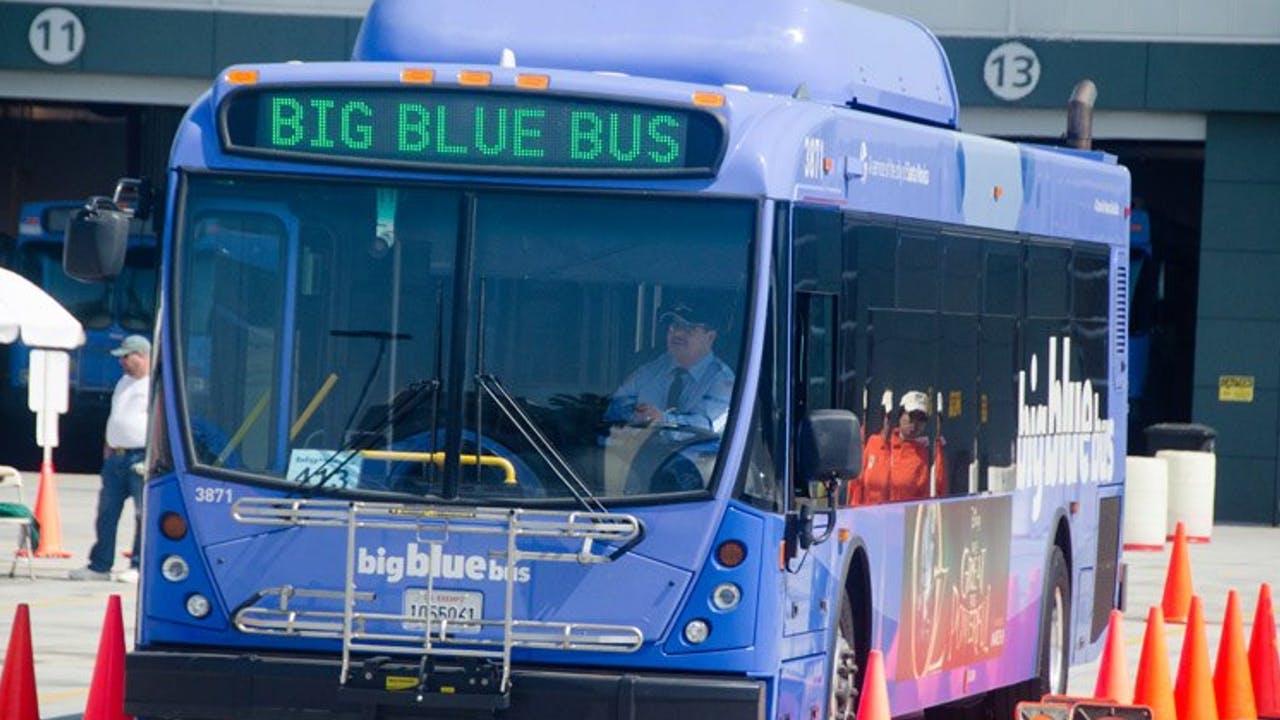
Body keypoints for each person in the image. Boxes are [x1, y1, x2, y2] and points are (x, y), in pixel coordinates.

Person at [69, 334, 151, 583]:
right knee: (106, 512)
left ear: (142, 356)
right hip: (116, 456)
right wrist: (108, 445)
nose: (122, 362)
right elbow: (117, 415)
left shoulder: (154, 384)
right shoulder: (124, 382)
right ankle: (100, 565)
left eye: (127, 357)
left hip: (140, 456)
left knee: (142, 513)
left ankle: (138, 565)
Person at [604, 301, 735, 433]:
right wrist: (635, 415)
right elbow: (615, 407)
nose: (677, 334)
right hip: (638, 451)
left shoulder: (722, 380)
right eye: (674, 326)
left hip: (692, 454)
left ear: (710, 337)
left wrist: (662, 420)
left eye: (689, 328)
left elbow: (708, 426)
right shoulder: (651, 369)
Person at [851, 389, 946, 505]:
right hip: (868, 519)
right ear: (900, 415)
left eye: (921, 419)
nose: (915, 424)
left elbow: (935, 492)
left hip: (903, 520)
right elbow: (857, 484)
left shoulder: (923, 455)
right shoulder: (874, 443)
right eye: (912, 416)